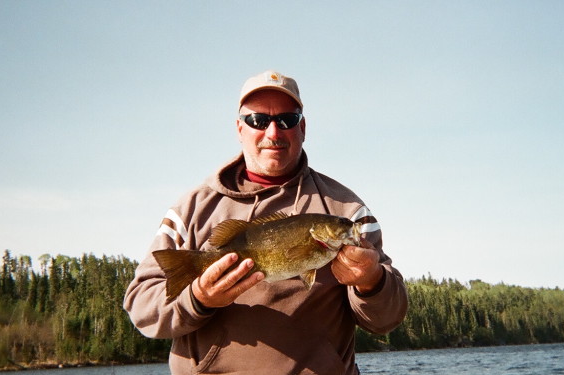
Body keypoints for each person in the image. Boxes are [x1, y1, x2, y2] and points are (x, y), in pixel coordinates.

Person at [124, 70, 408, 374]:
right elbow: (143, 308)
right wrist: (198, 298)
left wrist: (371, 280)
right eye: (258, 120)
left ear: (303, 127)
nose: (273, 132)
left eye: (286, 120)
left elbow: (386, 319)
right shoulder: (191, 208)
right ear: (239, 129)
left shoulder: (348, 211)